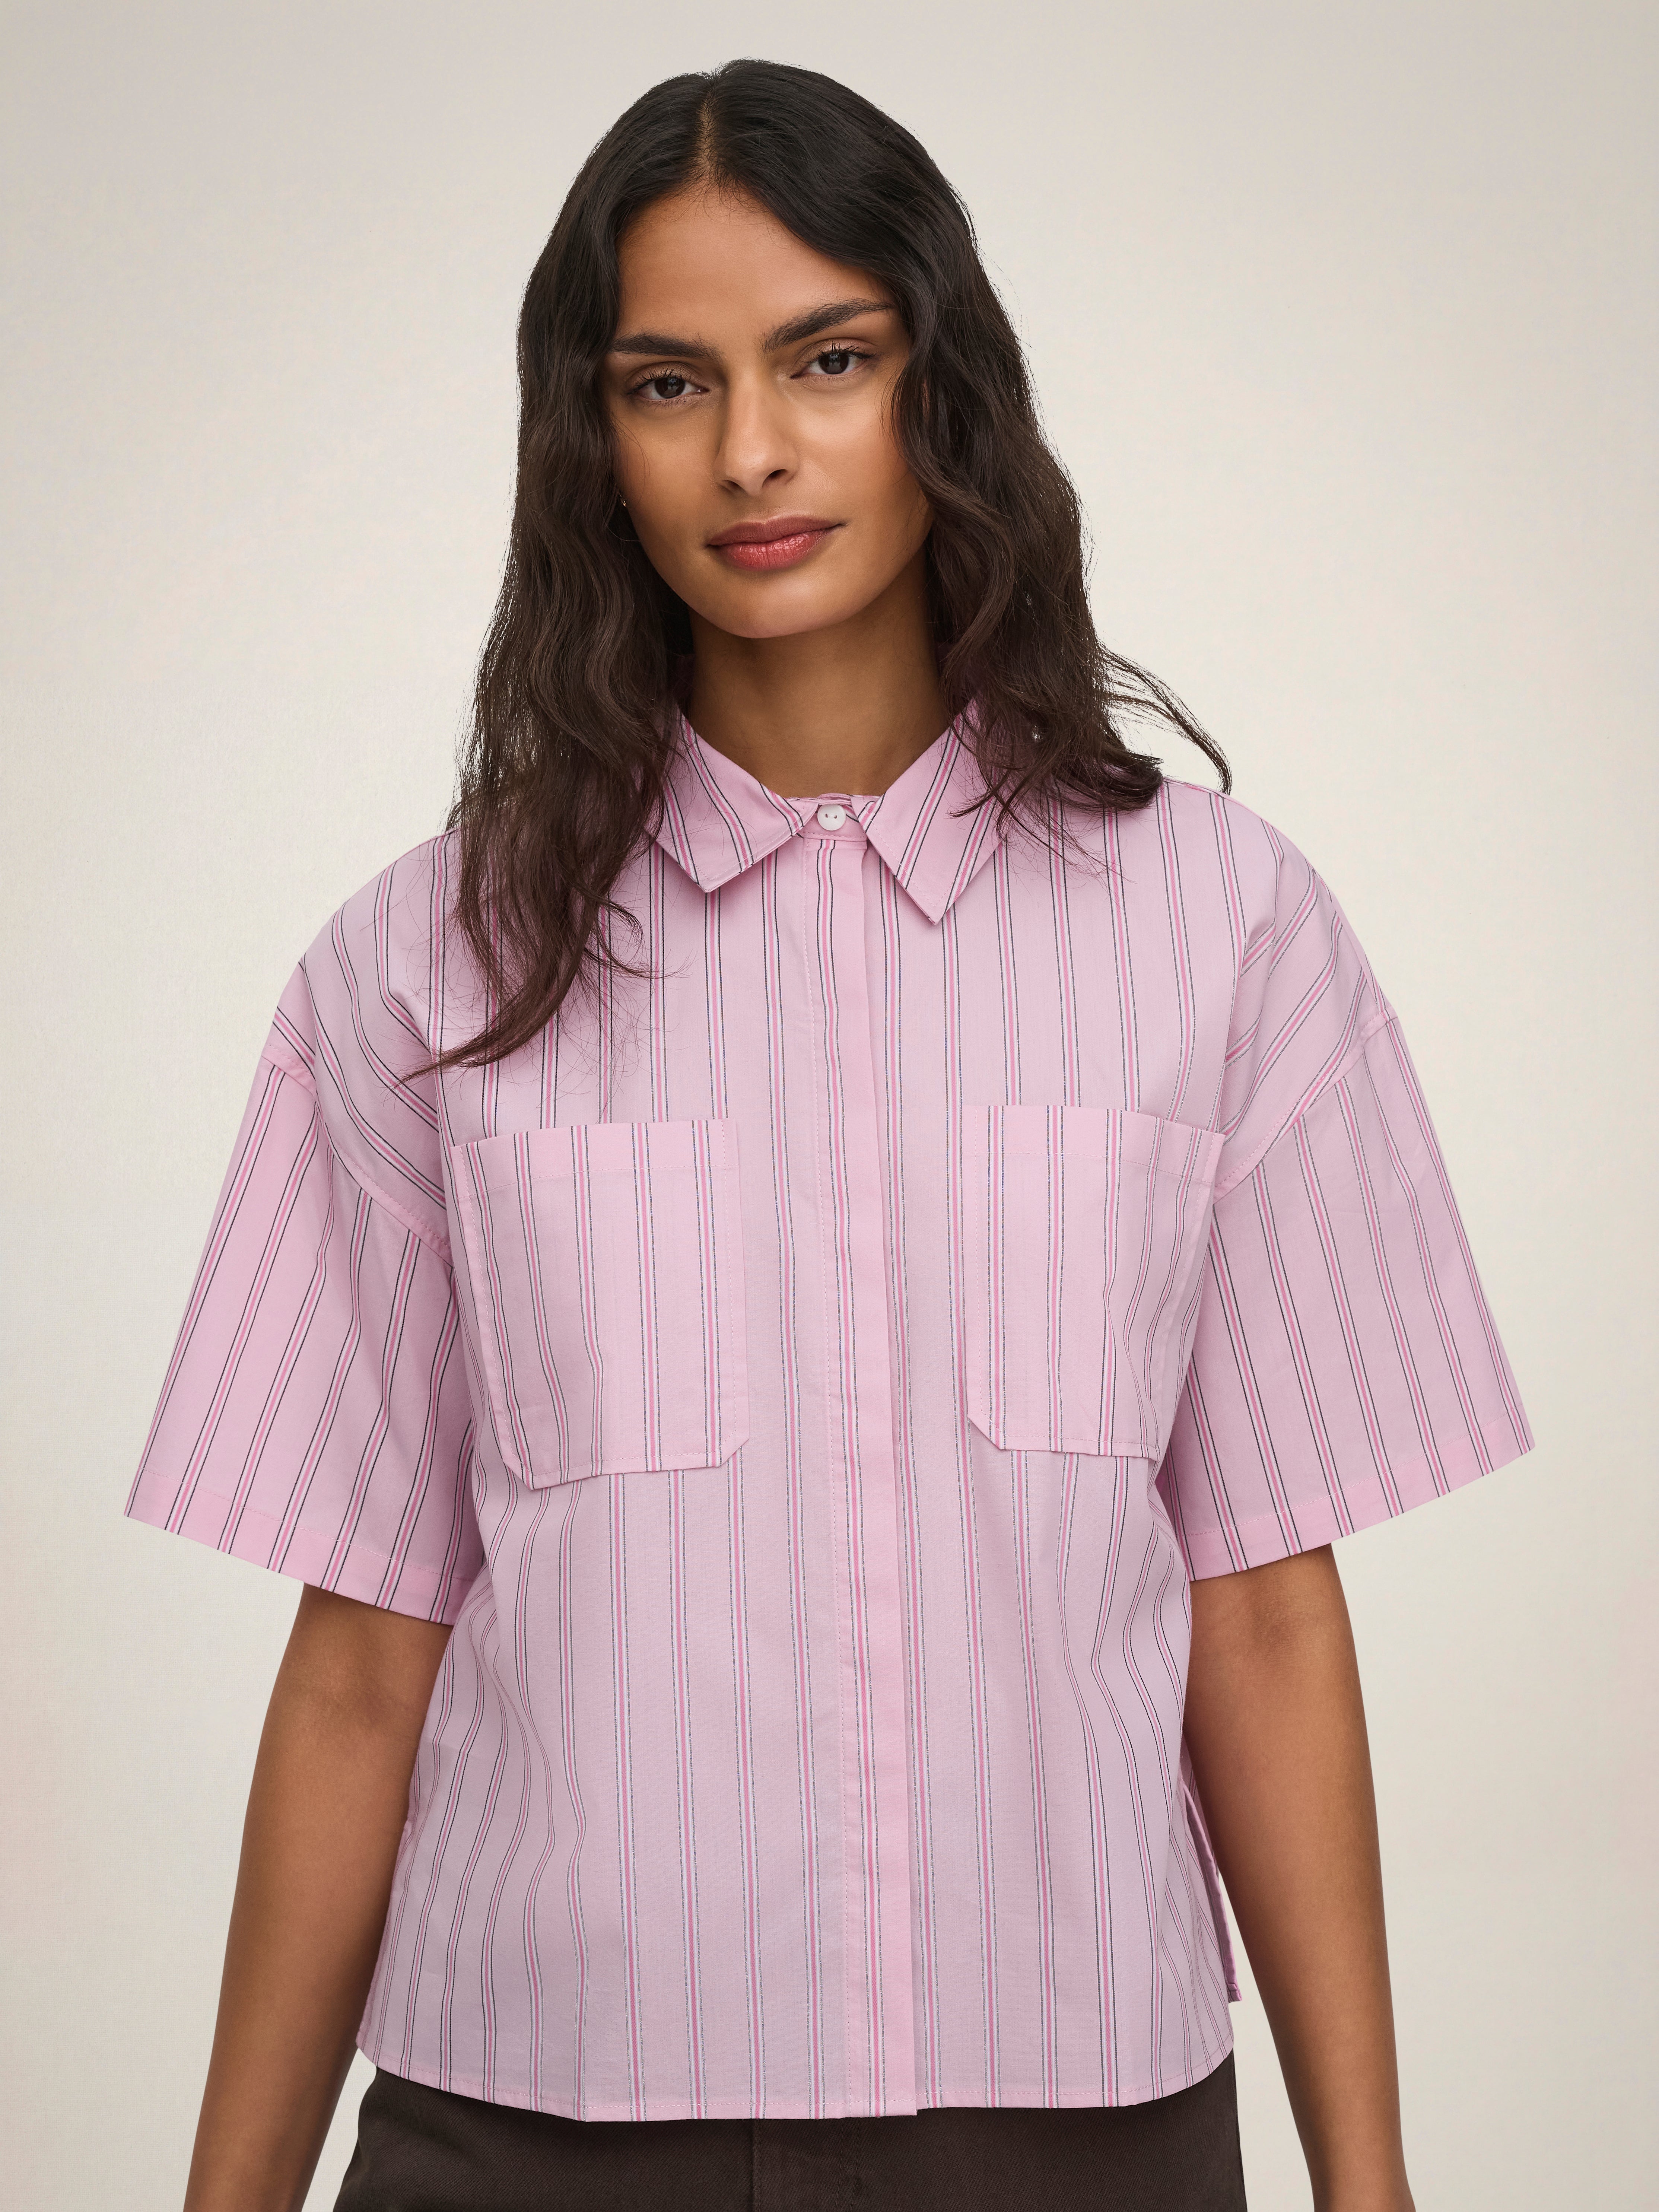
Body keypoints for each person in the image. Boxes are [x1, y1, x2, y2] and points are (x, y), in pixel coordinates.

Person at [127, 58, 1533, 2212]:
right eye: (667, 383)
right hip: (530, 2128)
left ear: (939, 387)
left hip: (1066, 2129)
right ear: (590, 442)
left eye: (828, 359)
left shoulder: (1224, 931)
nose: (752, 451)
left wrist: (1373, 2189)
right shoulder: (420, 967)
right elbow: (361, 1659)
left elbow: (1261, 1608)